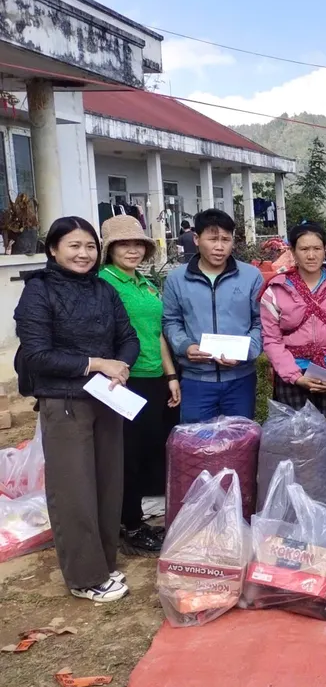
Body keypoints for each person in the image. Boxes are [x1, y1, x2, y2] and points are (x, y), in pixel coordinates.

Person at [14, 217, 139, 602]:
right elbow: (36, 354)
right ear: (53, 249)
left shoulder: (104, 290)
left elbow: (127, 337)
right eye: (74, 246)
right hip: (63, 401)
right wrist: (99, 363)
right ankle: (85, 577)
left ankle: (103, 561)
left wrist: (122, 365)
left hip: (106, 398)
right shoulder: (38, 292)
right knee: (74, 490)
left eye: (89, 246)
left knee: (106, 482)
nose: (83, 254)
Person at [98, 215, 182, 556]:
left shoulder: (145, 283)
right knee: (128, 454)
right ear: (109, 249)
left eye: (137, 244)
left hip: (154, 377)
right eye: (124, 244)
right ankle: (130, 524)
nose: (132, 250)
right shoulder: (104, 283)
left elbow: (158, 332)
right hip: (124, 379)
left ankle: (135, 517)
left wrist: (171, 375)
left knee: (149, 450)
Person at [261, 222, 326, 465]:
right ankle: (299, 499)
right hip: (293, 375)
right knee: (297, 443)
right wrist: (295, 377)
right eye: (304, 249)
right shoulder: (277, 290)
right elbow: (272, 339)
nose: (311, 255)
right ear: (292, 252)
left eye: (317, 248)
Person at [162, 208, 264, 423]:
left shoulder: (251, 276)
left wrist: (247, 351)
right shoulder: (177, 279)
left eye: (226, 239)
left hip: (240, 379)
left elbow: (261, 321)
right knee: (197, 444)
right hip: (196, 379)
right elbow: (171, 321)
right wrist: (185, 346)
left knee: (240, 442)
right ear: (197, 239)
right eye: (213, 239)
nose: (220, 247)